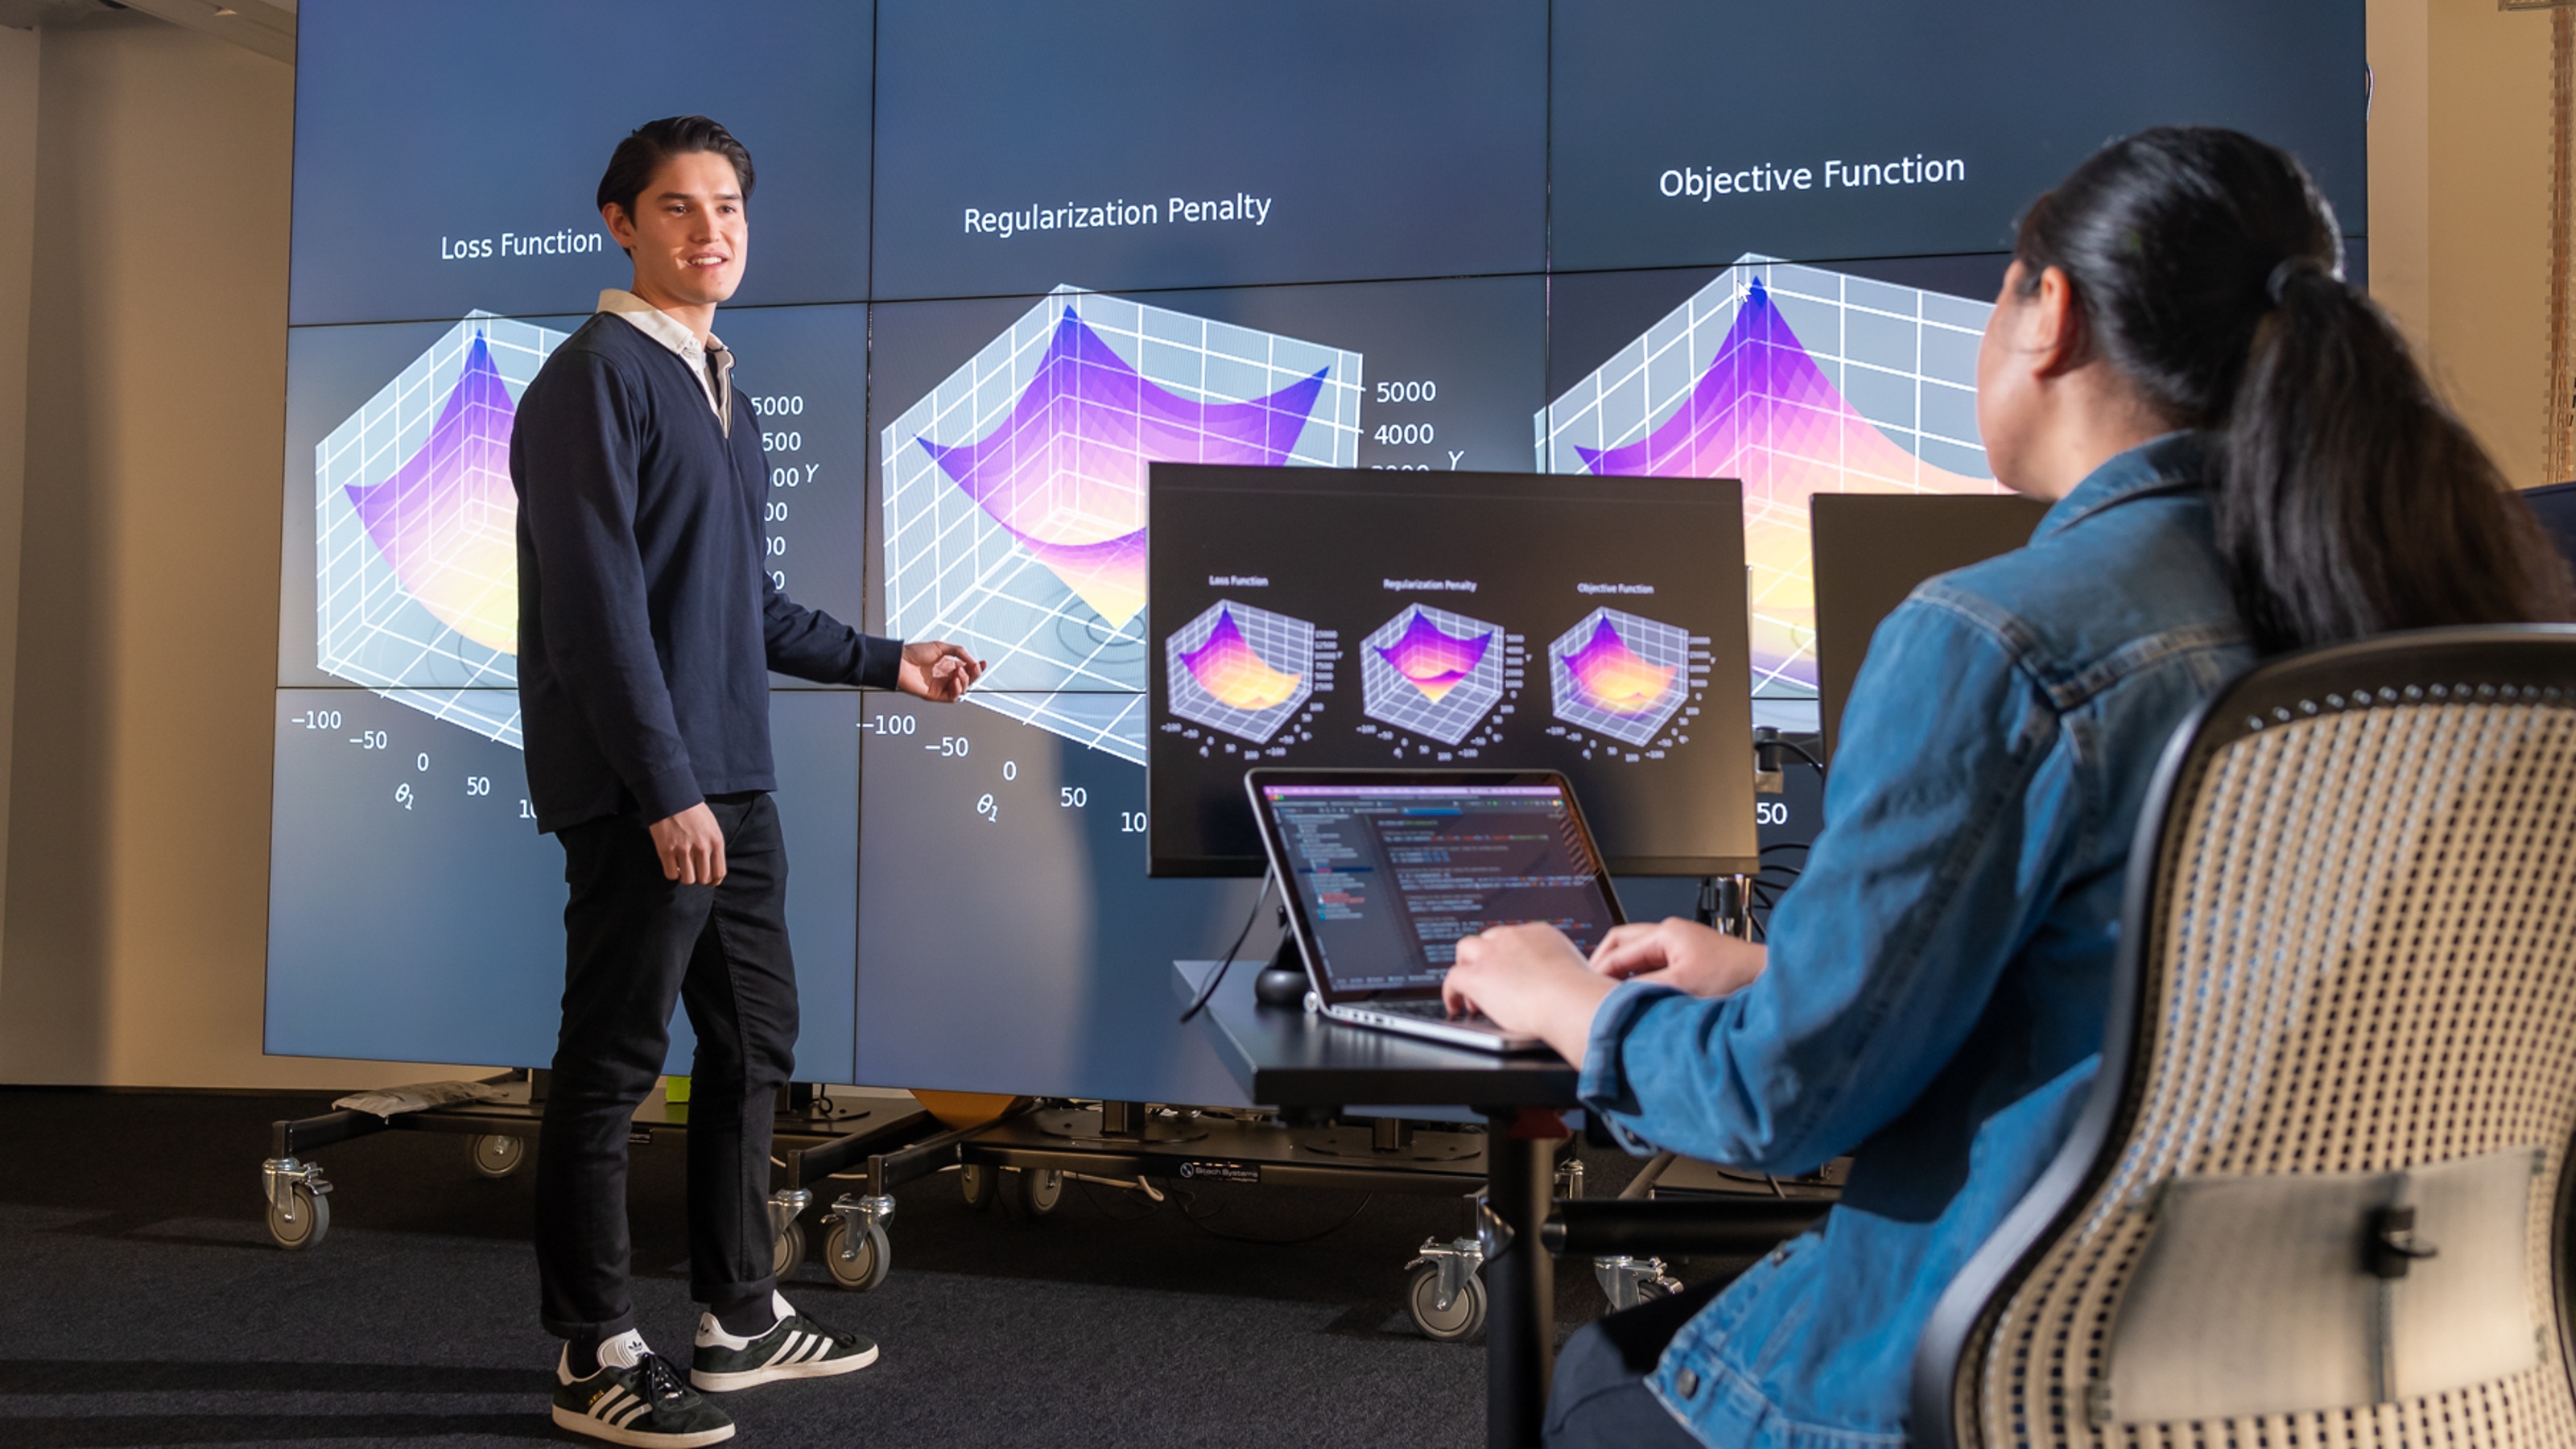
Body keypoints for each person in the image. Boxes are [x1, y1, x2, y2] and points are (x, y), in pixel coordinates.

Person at [1441, 127, 2574, 1448]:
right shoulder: (2434, 611)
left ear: (2053, 313)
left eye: (1995, 290)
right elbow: (2214, 1003)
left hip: (2046, 1381)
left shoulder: (1999, 637)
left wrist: (1568, 998)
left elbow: (1775, 1105)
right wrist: (1776, 972)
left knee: (1597, 1384)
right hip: (2402, 1376)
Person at [510, 115, 985, 1448]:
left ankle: (738, 1319)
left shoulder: (720, 379)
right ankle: (591, 1351)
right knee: (609, 1072)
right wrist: (666, 791)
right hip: (645, 794)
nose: (709, 231)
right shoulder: (590, 380)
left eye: (728, 209)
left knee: (753, 1046)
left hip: (734, 785)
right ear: (620, 222)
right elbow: (599, 619)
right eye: (676, 208)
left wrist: (895, 662)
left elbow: (743, 608)